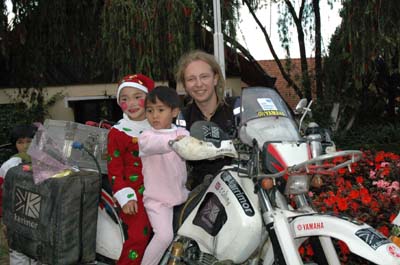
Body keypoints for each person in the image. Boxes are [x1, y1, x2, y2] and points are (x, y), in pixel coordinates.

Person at [139, 86, 189, 265]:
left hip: (182, 195)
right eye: (150, 111)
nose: (154, 116)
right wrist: (173, 143)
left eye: (161, 110)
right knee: (164, 236)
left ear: (174, 112)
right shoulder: (146, 137)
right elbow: (155, 145)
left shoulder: (182, 133)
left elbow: (192, 147)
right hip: (157, 201)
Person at [107, 74, 154, 265]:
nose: (131, 103)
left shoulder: (162, 126)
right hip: (135, 195)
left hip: (162, 190)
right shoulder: (118, 132)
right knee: (139, 238)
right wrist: (126, 197)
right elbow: (114, 170)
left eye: (137, 96)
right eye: (124, 99)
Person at [175, 50, 237, 190]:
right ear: (185, 85)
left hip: (240, 185)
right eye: (191, 79)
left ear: (215, 79)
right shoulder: (182, 118)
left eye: (204, 77)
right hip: (201, 193)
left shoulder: (237, 108)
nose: (198, 84)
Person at [0, 124, 38, 265]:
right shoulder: (8, 166)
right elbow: (2, 196)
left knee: (38, 255)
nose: (25, 146)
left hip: (39, 219)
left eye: (29, 141)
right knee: (18, 254)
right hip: (16, 218)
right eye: (20, 142)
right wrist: (5, 220)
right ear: (14, 144)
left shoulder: (46, 163)